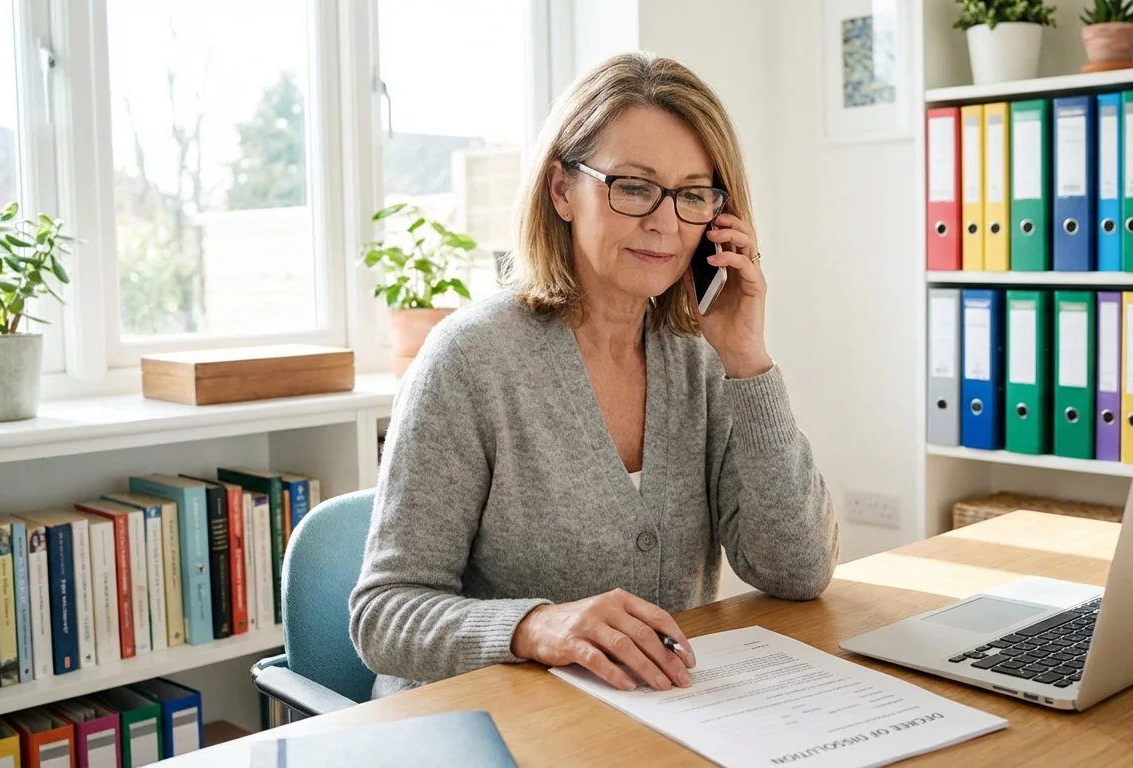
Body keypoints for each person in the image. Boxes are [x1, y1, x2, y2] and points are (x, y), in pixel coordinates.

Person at [349, 51, 840, 700]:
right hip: (481, 725)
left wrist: (748, 361)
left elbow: (798, 570)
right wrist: (535, 626)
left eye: (693, 195)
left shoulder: (702, 360)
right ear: (562, 191)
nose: (664, 222)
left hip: (648, 721)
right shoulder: (471, 361)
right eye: (633, 186)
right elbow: (384, 615)